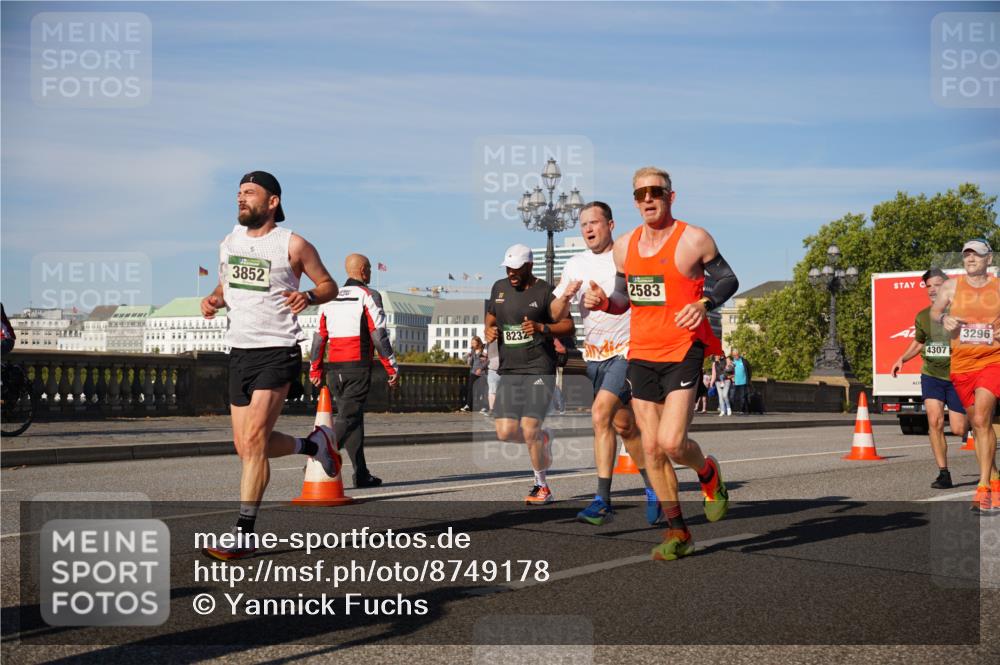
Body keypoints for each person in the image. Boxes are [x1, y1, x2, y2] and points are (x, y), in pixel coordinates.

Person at [584, 166, 739, 560]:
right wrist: (603, 302)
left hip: (683, 349)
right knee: (651, 449)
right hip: (641, 353)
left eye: (656, 192)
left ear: (671, 196)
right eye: (640, 194)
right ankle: (678, 532)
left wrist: (703, 304)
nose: (648, 199)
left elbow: (728, 280)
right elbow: (623, 300)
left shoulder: (694, 239)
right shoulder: (624, 247)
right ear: (635, 202)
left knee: (672, 443)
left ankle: (707, 473)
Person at [201, 170, 339, 560]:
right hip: (239, 352)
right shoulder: (229, 242)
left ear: (272, 201)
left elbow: (329, 285)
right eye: (239, 193)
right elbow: (225, 287)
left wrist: (309, 296)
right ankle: (313, 444)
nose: (241, 199)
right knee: (245, 447)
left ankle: (244, 531)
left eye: (250, 193)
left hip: (277, 350)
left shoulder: (292, 244)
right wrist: (213, 300)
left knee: (256, 440)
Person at [552, 201, 661, 526]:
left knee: (600, 414)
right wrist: (564, 296)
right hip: (594, 358)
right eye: (583, 224)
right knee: (624, 426)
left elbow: (647, 297)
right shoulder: (575, 264)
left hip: (629, 352)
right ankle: (654, 486)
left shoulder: (627, 257)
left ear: (610, 225)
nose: (587, 229)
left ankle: (602, 499)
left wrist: (607, 299)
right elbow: (556, 315)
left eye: (594, 222)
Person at [484, 244, 575, 504]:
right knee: (504, 431)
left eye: (516, 269)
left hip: (538, 366)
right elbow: (490, 320)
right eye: (508, 268)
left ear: (529, 266)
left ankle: (541, 485)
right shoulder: (498, 288)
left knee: (529, 428)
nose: (511, 273)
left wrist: (541, 327)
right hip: (510, 368)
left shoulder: (545, 291)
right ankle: (543, 439)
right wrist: (489, 331)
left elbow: (568, 326)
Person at [309, 253, 400, 489]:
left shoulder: (329, 297)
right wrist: (391, 366)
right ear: (363, 271)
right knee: (348, 418)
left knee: (354, 421)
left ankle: (361, 474)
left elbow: (319, 339)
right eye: (368, 268)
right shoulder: (369, 295)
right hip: (357, 367)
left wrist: (315, 369)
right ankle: (318, 453)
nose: (369, 272)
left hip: (334, 368)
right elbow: (378, 335)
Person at [931, 239, 1000, 512]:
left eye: (977, 255)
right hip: (962, 365)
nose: (971, 259)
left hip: (993, 360)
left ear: (989, 259)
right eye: (967, 255)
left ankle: (982, 488)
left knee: (982, 417)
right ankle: (994, 476)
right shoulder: (951, 287)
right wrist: (944, 318)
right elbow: (935, 312)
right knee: (975, 424)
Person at [891, 268, 968, 489]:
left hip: (957, 376)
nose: (933, 290)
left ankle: (979, 421)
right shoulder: (923, 316)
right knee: (934, 421)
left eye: (937, 285)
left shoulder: (962, 311)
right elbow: (919, 342)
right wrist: (902, 359)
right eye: (928, 286)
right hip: (932, 375)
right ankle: (943, 473)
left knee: (959, 429)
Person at [461, 336, 487, 412]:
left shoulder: (483, 350)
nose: (472, 344)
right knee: (470, 389)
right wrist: (468, 358)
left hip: (482, 373)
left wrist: (481, 368)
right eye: (471, 343)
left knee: (481, 390)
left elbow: (487, 361)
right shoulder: (472, 351)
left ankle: (483, 406)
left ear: (478, 343)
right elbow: (469, 362)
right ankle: (468, 405)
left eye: (474, 343)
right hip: (473, 372)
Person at [730, 349, 752, 415]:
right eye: (734, 355)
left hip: (743, 382)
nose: (735, 356)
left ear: (738, 354)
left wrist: (748, 379)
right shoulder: (732, 362)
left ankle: (742, 410)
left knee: (742, 397)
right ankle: (730, 409)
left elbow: (749, 370)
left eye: (736, 355)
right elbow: (728, 372)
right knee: (732, 396)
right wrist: (731, 377)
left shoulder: (744, 361)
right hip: (734, 382)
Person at [485, 339, 500, 416]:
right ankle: (492, 409)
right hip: (493, 370)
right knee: (492, 391)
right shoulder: (489, 343)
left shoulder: (506, 340)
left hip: (505, 370)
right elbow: (486, 355)